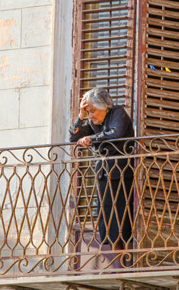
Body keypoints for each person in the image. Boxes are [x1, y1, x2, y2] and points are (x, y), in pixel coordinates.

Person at [69, 87, 134, 251]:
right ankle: (111, 248)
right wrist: (80, 116)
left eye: (93, 111)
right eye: (88, 111)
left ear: (104, 107)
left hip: (121, 171)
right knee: (105, 212)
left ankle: (123, 251)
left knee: (120, 212)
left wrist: (90, 138)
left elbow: (115, 134)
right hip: (104, 173)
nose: (91, 115)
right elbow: (73, 136)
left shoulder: (118, 113)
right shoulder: (93, 122)